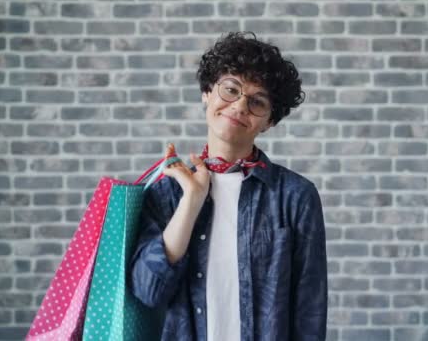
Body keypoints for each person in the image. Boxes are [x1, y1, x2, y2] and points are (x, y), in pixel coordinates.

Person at [130, 31, 327, 340]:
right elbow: (148, 290)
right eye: (231, 89)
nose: (239, 106)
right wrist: (191, 201)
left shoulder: (295, 197)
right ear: (207, 92)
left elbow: (309, 313)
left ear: (269, 121)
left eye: (257, 101)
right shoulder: (167, 190)